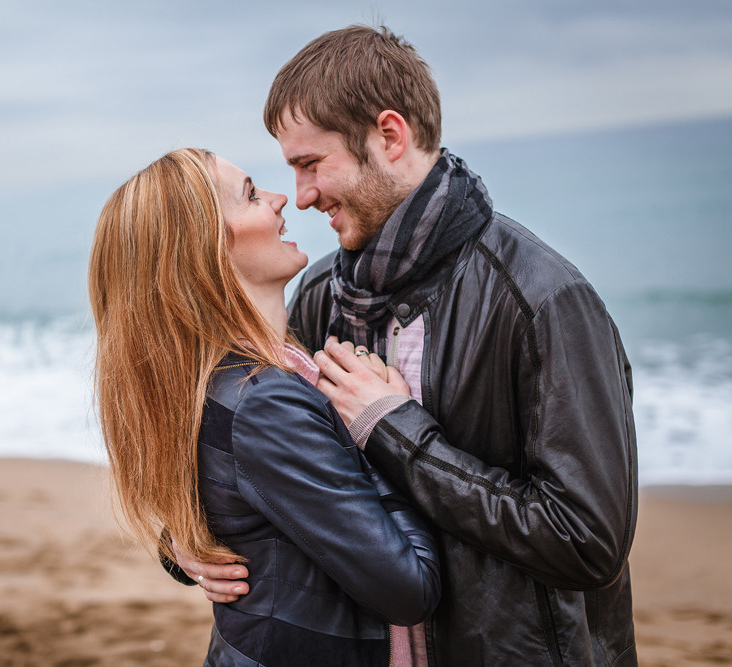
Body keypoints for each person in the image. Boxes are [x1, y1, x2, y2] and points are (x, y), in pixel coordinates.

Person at [173, 25, 638, 665]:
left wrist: (397, 432)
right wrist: (186, 538)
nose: (302, 197)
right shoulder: (319, 296)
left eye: (311, 164)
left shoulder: (541, 301)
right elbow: (252, 445)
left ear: (389, 136)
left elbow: (587, 541)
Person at [88, 147, 441, 666]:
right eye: (252, 195)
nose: (282, 201)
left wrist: (183, 543)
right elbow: (411, 589)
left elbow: (235, 497)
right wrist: (387, 427)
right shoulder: (266, 398)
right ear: (204, 250)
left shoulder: (209, 378)